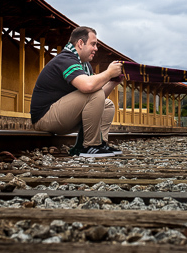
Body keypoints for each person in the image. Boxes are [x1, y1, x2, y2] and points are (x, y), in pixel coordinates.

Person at [30, 26, 123, 158]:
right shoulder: (66, 59)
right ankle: (90, 146)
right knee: (92, 90)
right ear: (80, 43)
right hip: (44, 117)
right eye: (93, 44)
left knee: (107, 105)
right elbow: (89, 88)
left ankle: (100, 143)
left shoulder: (85, 66)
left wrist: (113, 82)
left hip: (63, 115)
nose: (96, 48)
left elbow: (98, 98)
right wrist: (108, 73)